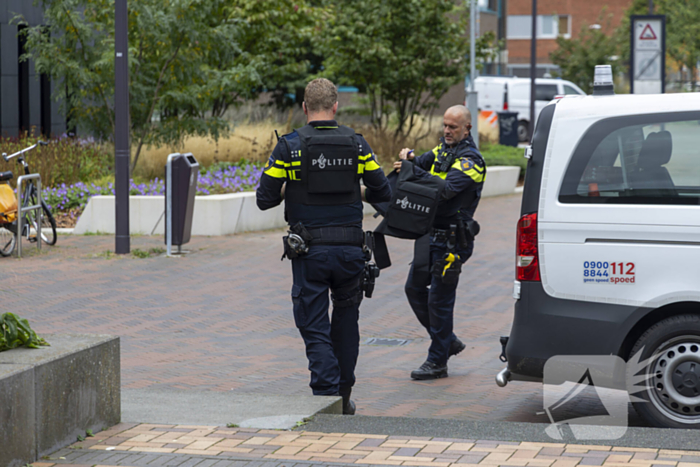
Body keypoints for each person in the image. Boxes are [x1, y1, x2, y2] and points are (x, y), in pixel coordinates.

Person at [256, 78, 391, 414]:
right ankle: (343, 397)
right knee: (347, 324)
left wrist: (292, 189)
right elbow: (383, 191)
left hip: (310, 253)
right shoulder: (357, 145)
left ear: (304, 108)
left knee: (314, 325)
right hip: (349, 252)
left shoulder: (289, 147)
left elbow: (264, 199)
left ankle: (326, 396)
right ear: (335, 107)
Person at [393, 105, 486, 380]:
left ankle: (438, 361)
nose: (446, 131)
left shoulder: (472, 161)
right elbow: (420, 163)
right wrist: (408, 158)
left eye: (453, 127)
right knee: (413, 288)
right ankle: (449, 341)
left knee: (439, 301)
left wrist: (414, 170)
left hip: (453, 242)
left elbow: (444, 190)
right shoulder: (441, 151)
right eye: (445, 125)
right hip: (429, 235)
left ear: (467, 128)